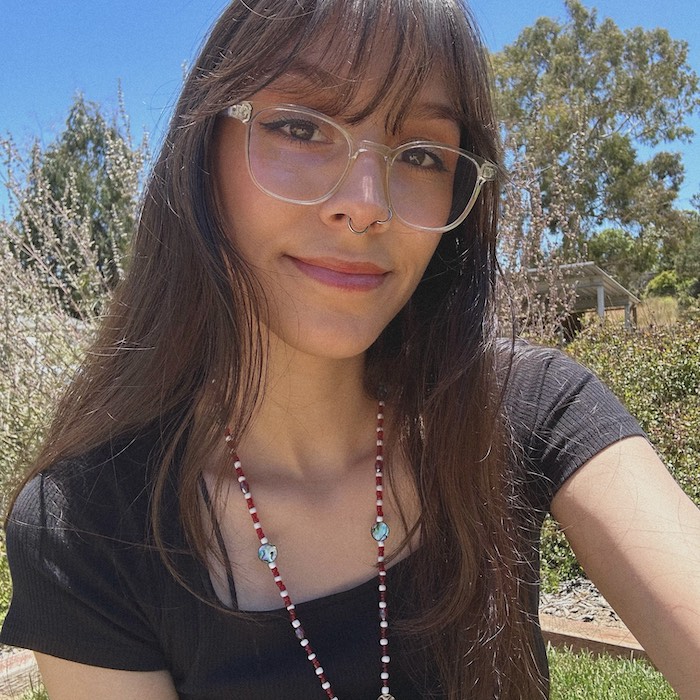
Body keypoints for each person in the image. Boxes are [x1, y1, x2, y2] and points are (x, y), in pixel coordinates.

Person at [3, 1, 700, 698]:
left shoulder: (530, 412)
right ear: (202, 151)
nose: (368, 203)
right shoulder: (90, 525)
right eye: (302, 127)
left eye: (422, 154)